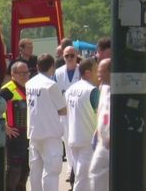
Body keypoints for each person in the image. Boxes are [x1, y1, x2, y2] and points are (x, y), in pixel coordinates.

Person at [26, 53, 67, 191]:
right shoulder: (51, 85)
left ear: (37, 67)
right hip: (50, 133)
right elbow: (62, 109)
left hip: (34, 132)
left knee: (35, 171)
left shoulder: (29, 83)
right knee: (51, 172)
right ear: (52, 67)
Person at [65, 58, 99, 191]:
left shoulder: (70, 90)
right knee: (84, 177)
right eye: (96, 70)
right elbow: (102, 114)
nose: (98, 74)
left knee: (80, 175)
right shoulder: (92, 91)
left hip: (73, 137)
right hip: (88, 139)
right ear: (88, 73)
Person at [0, 61, 30, 191]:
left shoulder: (30, 87)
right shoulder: (7, 90)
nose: (24, 75)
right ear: (12, 74)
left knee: (25, 169)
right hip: (14, 136)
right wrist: (4, 126)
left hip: (27, 135)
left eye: (26, 72)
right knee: (13, 171)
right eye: (20, 73)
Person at [54, 46, 81, 185]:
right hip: (64, 113)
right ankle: (71, 170)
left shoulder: (82, 70)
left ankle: (77, 171)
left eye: (72, 55)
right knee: (67, 142)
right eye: (66, 56)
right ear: (63, 57)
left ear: (77, 55)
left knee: (78, 141)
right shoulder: (58, 73)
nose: (70, 58)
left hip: (80, 113)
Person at [89, 58, 111, 191]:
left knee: (99, 173)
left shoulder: (117, 90)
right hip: (102, 141)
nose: (98, 74)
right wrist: (98, 130)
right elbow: (102, 111)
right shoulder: (102, 88)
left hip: (111, 142)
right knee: (95, 172)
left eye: (102, 71)